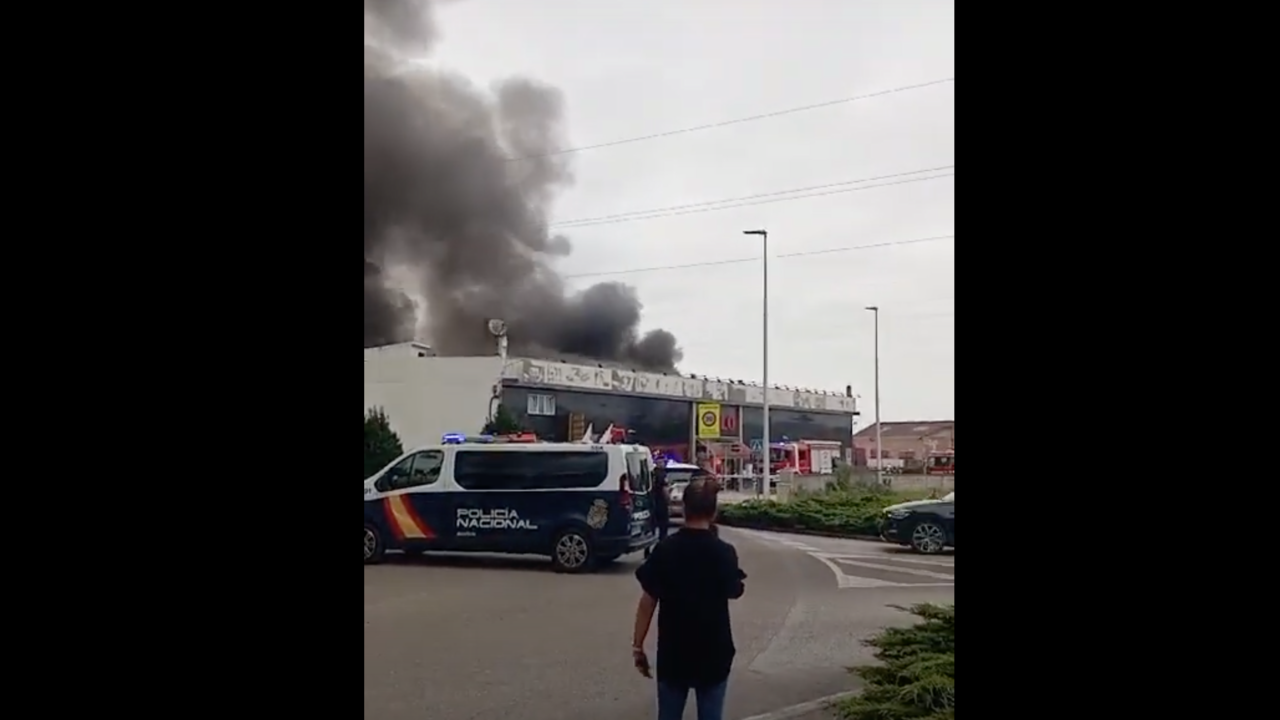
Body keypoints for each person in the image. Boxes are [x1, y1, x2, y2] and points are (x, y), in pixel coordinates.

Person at [631, 478, 746, 720]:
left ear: (684, 509)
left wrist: (638, 646)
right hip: (714, 654)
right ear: (713, 511)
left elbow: (647, 602)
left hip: (674, 655)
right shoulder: (724, 553)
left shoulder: (665, 550)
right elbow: (734, 590)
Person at [651, 463, 671, 542]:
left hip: (652, 500)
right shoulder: (662, 474)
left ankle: (649, 544)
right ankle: (662, 540)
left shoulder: (652, 473)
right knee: (663, 523)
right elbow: (664, 489)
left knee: (652, 523)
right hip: (661, 501)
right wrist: (668, 499)